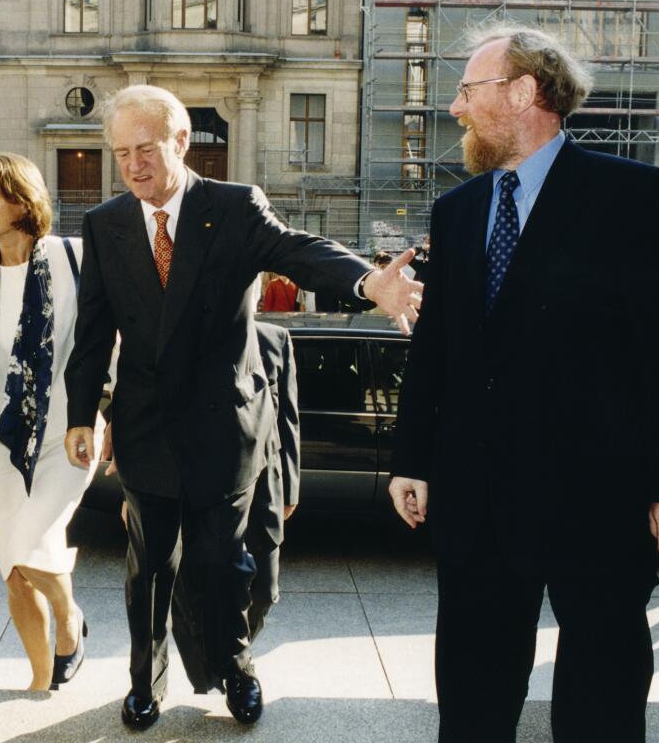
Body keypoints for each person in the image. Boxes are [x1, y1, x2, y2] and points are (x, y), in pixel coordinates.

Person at [387, 24, 659, 743]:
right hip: (479, 503)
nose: (455, 108)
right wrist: (412, 457)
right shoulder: (459, 209)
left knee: (601, 699)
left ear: (524, 91)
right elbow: (438, 349)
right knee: (472, 700)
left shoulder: (632, 196)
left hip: (597, 501)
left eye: (469, 90)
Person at [63, 84, 421, 731]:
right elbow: (92, 333)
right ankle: (145, 683)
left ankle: (235, 669)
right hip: (145, 431)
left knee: (224, 565)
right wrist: (82, 415)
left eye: (145, 149)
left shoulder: (231, 208)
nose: (134, 165)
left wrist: (368, 284)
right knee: (148, 570)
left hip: (222, 431)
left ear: (180, 141)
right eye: (121, 154)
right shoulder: (105, 224)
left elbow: (299, 251)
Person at [0, 153, 97, 692]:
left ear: (22, 201)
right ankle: (39, 677)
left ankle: (69, 619)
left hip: (66, 435)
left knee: (30, 544)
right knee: (13, 565)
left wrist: (107, 411)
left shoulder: (75, 259)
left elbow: (105, 345)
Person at [170, 319, 300, 694]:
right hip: (207, 490)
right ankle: (233, 670)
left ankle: (229, 656)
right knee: (202, 588)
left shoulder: (277, 340)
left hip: (265, 487)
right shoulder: (195, 336)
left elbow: (288, 420)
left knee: (265, 590)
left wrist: (290, 488)